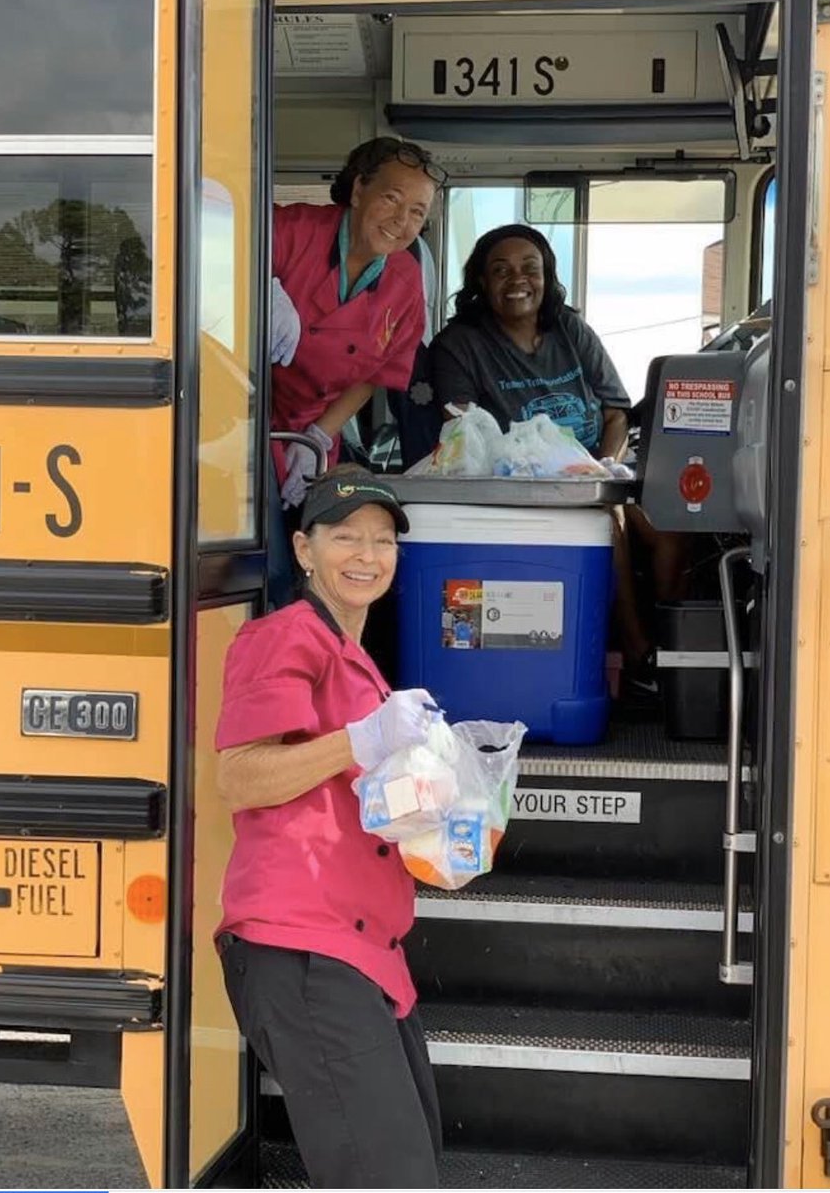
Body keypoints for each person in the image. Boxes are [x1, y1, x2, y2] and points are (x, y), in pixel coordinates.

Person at [214, 464, 443, 1189]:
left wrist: (442, 812)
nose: (366, 555)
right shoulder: (283, 639)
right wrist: (362, 740)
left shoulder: (357, 660)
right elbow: (241, 776)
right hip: (303, 951)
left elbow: (351, 800)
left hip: (367, 953)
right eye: (345, 537)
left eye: (382, 540)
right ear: (303, 549)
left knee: (407, 1166)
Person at [429, 224, 665, 688]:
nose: (517, 279)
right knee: (606, 523)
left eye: (529, 268)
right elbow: (464, 430)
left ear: (547, 276)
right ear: (480, 281)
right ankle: (637, 655)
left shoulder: (571, 328)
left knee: (671, 529)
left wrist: (602, 464)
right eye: (500, 270)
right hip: (517, 480)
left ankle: (670, 652)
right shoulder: (459, 345)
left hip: (597, 471)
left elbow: (616, 409)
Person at [269, 136, 447, 508]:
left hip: (315, 434)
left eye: (417, 212)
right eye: (391, 198)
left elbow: (377, 374)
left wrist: (319, 436)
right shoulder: (292, 229)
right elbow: (212, 239)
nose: (401, 221)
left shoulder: (407, 280)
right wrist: (257, 284)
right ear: (358, 189)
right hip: (246, 422)